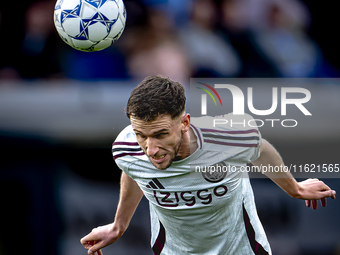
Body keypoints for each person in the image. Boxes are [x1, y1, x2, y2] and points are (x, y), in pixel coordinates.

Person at [80, 75, 336, 255]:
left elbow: (261, 150)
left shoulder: (231, 137)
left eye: (160, 134)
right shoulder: (126, 149)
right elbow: (133, 170)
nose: (150, 149)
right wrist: (118, 226)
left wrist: (295, 188)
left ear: (185, 123)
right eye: (141, 135)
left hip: (244, 250)